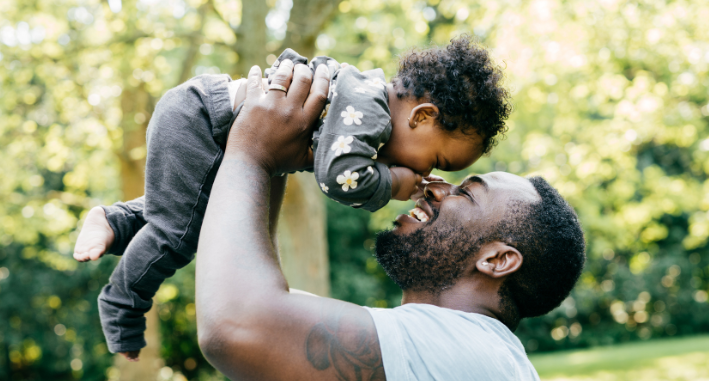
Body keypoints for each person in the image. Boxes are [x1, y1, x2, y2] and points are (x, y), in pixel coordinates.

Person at [76, 36, 512, 359]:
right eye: (433, 159)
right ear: (422, 116)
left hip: (200, 118)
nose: (424, 174)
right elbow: (340, 177)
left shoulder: (367, 105)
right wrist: (394, 183)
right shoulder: (370, 112)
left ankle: (114, 221)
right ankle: (122, 305)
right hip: (201, 123)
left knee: (193, 215)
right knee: (177, 236)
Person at [206, 62, 586, 379]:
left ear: (497, 260)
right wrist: (280, 150)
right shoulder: (466, 349)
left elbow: (237, 323)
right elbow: (256, 297)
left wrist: (254, 151)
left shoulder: (461, 350)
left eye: (465, 193)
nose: (434, 187)